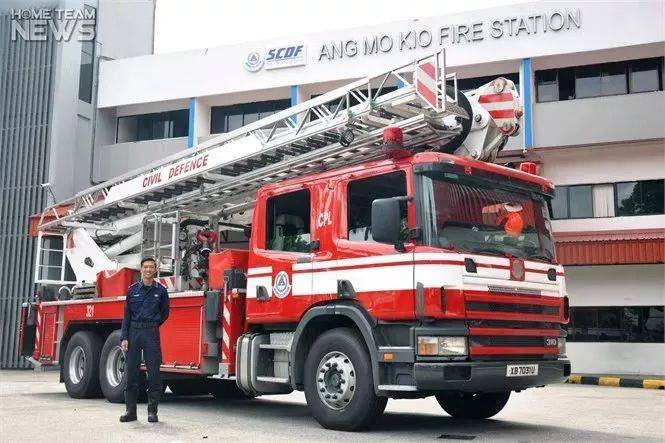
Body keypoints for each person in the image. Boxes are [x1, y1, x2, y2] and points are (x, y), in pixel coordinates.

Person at [119, 257, 170, 423]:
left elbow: (165, 313)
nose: (148, 270)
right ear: (141, 269)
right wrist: (124, 337)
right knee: (131, 374)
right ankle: (130, 412)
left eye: (151, 267)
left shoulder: (161, 291)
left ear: (155, 270)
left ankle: (152, 412)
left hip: (150, 333)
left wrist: (153, 324)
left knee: (154, 373)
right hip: (133, 332)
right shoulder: (132, 290)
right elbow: (127, 316)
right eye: (145, 267)